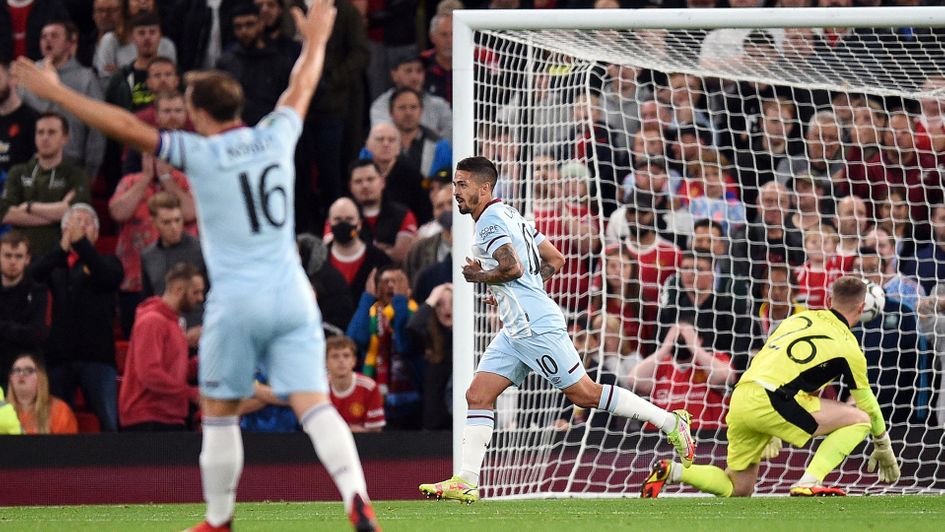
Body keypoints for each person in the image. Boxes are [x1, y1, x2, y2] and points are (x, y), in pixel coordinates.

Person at [11, 2, 379, 529]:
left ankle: (219, 518)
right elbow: (301, 84)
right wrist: (316, 40)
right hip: (293, 294)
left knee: (219, 413)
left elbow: (121, 125)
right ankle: (355, 497)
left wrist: (59, 94)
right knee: (315, 405)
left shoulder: (200, 153)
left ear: (201, 113)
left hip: (234, 301)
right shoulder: (276, 134)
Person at [419, 157, 695, 504]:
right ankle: (467, 480)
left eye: (462, 185)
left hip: (535, 327)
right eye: (455, 185)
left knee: (584, 394)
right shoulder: (510, 214)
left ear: (484, 187)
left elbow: (512, 267)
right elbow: (555, 259)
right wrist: (507, 294)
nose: (455, 192)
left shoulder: (489, 223)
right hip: (517, 330)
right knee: (478, 395)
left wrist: (482, 277)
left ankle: (670, 422)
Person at [641, 276, 901, 498]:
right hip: (774, 400)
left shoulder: (797, 321)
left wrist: (772, 428)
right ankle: (809, 482)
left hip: (742, 397)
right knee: (860, 419)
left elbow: (779, 367)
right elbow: (868, 405)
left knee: (738, 487)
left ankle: (672, 470)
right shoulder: (849, 348)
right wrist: (883, 447)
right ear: (861, 308)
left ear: (829, 300)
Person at [30, 204, 123, 432]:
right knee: (55, 425)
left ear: (97, 232)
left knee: (108, 422)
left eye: (86, 223)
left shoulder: (109, 261)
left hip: (97, 359)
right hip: (58, 358)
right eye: (75, 223)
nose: (80, 228)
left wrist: (81, 244)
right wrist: (61, 250)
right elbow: (32, 278)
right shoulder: (55, 264)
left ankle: (114, 466)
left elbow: (107, 277)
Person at [119, 263, 203, 431]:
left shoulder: (174, 323)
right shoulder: (152, 321)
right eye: (196, 292)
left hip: (169, 417)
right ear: (178, 289)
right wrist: (192, 393)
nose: (201, 298)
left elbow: (173, 372)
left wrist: (203, 361)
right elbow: (150, 373)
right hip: (149, 419)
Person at [0, 111, 91, 258]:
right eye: (40, 132)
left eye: (52, 132)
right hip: (22, 260)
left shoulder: (76, 175)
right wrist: (58, 212)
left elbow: (75, 214)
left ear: (65, 138)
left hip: (60, 259)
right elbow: (5, 214)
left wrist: (30, 206)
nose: (45, 137)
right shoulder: (18, 172)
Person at [21, 21, 105, 178]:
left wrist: (90, 170)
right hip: (30, 164)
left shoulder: (86, 78)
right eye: (44, 36)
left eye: (54, 36)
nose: (48, 40)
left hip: (72, 164)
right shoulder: (29, 76)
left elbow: (97, 128)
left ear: (69, 43)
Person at [0, 231, 47, 385]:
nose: (13, 261)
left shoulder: (38, 291)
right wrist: (18, 330)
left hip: (26, 371)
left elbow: (36, 334)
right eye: (7, 256)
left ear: (27, 259)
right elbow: (26, 333)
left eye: (18, 256)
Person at [6, 352, 78, 434]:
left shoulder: (60, 410)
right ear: (10, 378)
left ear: (41, 377)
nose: (21, 374)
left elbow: (68, 445)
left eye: (28, 370)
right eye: (16, 370)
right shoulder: (2, 410)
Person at [327, 335, 385, 432]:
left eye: (346, 356)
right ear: (326, 362)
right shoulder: (318, 389)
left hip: (363, 444)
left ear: (354, 361)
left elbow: (376, 430)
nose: (341, 361)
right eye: (335, 356)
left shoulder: (369, 387)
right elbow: (309, 428)